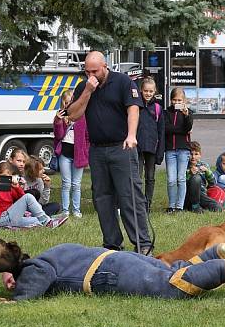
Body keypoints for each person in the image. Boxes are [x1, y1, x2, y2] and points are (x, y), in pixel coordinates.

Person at [66, 51, 151, 254]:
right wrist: (87, 91)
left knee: (129, 196)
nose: (91, 75)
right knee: (102, 198)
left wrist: (131, 135)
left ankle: (143, 243)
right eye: (87, 72)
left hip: (122, 146)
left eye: (95, 71)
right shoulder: (84, 86)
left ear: (105, 66)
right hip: (97, 150)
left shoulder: (122, 82)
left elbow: (133, 109)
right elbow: (73, 115)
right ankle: (112, 244)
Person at [2, 242, 225, 301]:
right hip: (119, 257)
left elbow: (40, 274)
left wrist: (20, 297)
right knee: (173, 268)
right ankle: (217, 252)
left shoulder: (35, 264)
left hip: (105, 272)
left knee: (168, 286)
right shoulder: (58, 249)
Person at [0, 161, 66, 229]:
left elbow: (22, 199)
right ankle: (48, 222)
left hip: (12, 217)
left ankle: (49, 220)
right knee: (28, 197)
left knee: (37, 220)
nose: (5, 179)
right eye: (3, 176)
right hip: (1, 219)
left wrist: (17, 187)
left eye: (8, 177)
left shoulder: (8, 187)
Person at [54, 89, 90, 218]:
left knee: (76, 184)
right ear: (62, 103)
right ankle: (65, 210)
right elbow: (58, 136)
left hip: (78, 154)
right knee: (66, 183)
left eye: (71, 102)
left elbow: (87, 137)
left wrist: (86, 151)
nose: (68, 105)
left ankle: (76, 210)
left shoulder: (82, 117)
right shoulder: (60, 116)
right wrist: (59, 121)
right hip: (65, 153)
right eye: (66, 102)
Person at [136, 78, 165, 212]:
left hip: (152, 149)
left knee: (150, 177)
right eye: (146, 91)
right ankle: (137, 203)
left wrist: (160, 153)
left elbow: (161, 132)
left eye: (151, 91)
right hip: (137, 147)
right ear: (141, 90)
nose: (148, 93)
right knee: (137, 177)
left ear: (155, 92)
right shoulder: (136, 106)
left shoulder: (158, 108)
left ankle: (147, 204)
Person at [163, 87, 193, 213]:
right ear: (170, 100)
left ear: (184, 100)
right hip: (170, 149)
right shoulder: (166, 113)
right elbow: (166, 128)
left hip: (183, 149)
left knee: (181, 178)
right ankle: (171, 205)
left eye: (179, 100)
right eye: (174, 100)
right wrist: (181, 129)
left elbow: (188, 127)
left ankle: (179, 206)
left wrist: (186, 118)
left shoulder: (188, 113)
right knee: (171, 179)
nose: (176, 103)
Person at [184, 141, 221, 213]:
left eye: (196, 154)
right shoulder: (184, 165)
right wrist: (189, 173)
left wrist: (207, 172)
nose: (193, 157)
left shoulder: (204, 165)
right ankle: (195, 206)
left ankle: (197, 206)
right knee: (196, 178)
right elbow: (181, 182)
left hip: (201, 195)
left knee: (218, 207)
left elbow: (213, 184)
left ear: (200, 155)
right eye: (191, 154)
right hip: (188, 195)